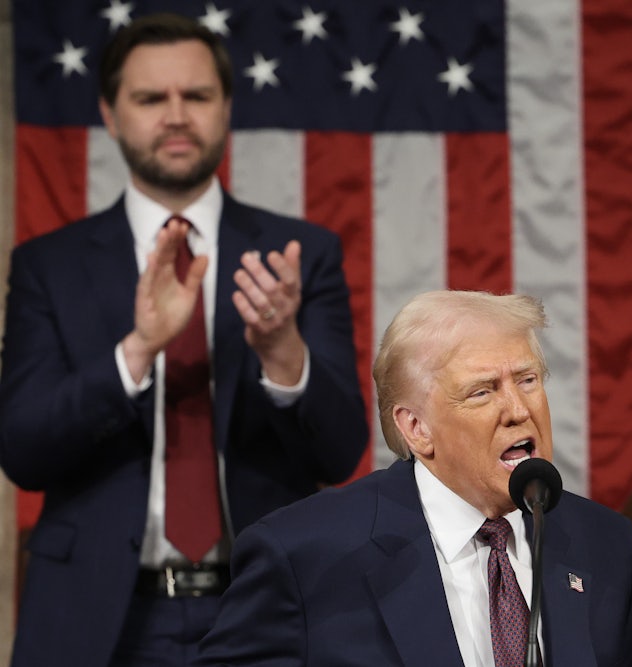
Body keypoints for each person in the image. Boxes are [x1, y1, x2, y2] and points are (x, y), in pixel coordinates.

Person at [0, 13, 369, 667]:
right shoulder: (47, 266)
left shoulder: (299, 255)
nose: (176, 115)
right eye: (150, 98)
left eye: (196, 96)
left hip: (265, 609)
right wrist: (136, 349)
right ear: (111, 115)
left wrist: (283, 352)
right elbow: (23, 449)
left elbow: (340, 453)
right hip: (96, 621)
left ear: (226, 107)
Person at [195, 290, 632, 666]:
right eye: (482, 391)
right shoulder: (304, 556)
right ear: (416, 428)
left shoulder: (607, 543)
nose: (518, 410)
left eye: (528, 380)